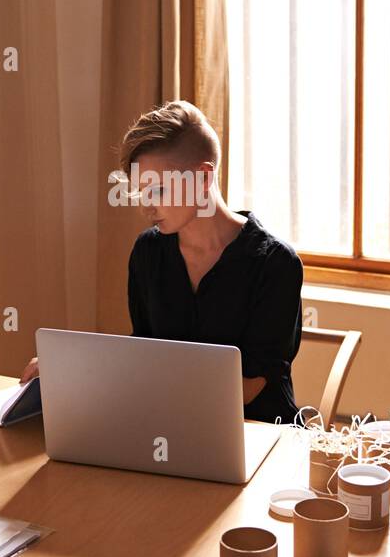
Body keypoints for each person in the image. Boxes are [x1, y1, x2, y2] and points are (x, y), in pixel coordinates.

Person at [21, 100, 303, 424]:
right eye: (141, 193)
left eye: (157, 191)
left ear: (203, 177)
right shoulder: (148, 251)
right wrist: (72, 368)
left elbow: (247, 388)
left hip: (258, 432)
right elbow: (145, 351)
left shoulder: (276, 264)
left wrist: (105, 375)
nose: (146, 207)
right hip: (168, 427)